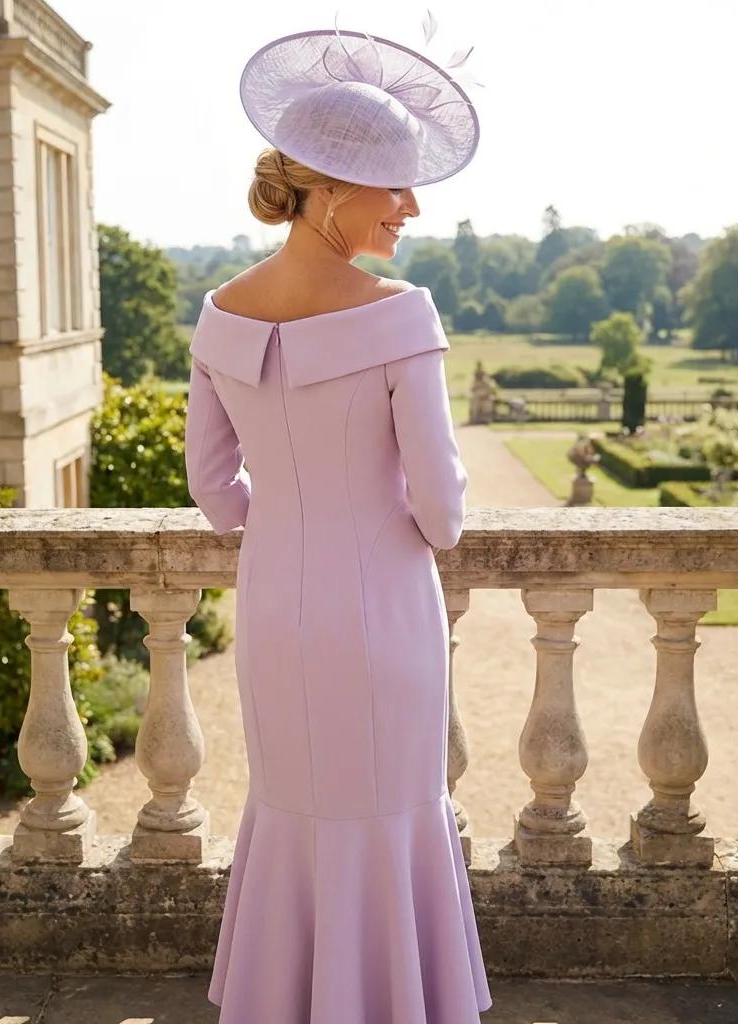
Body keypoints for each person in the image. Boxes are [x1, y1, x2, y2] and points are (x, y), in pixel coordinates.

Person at [184, 17, 492, 1023]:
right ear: (326, 189)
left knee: (292, 807)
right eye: (393, 185)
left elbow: (213, 490)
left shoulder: (221, 311)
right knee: (385, 812)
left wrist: (289, 514)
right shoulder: (400, 314)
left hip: (274, 607)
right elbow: (443, 515)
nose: (408, 207)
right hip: (384, 616)